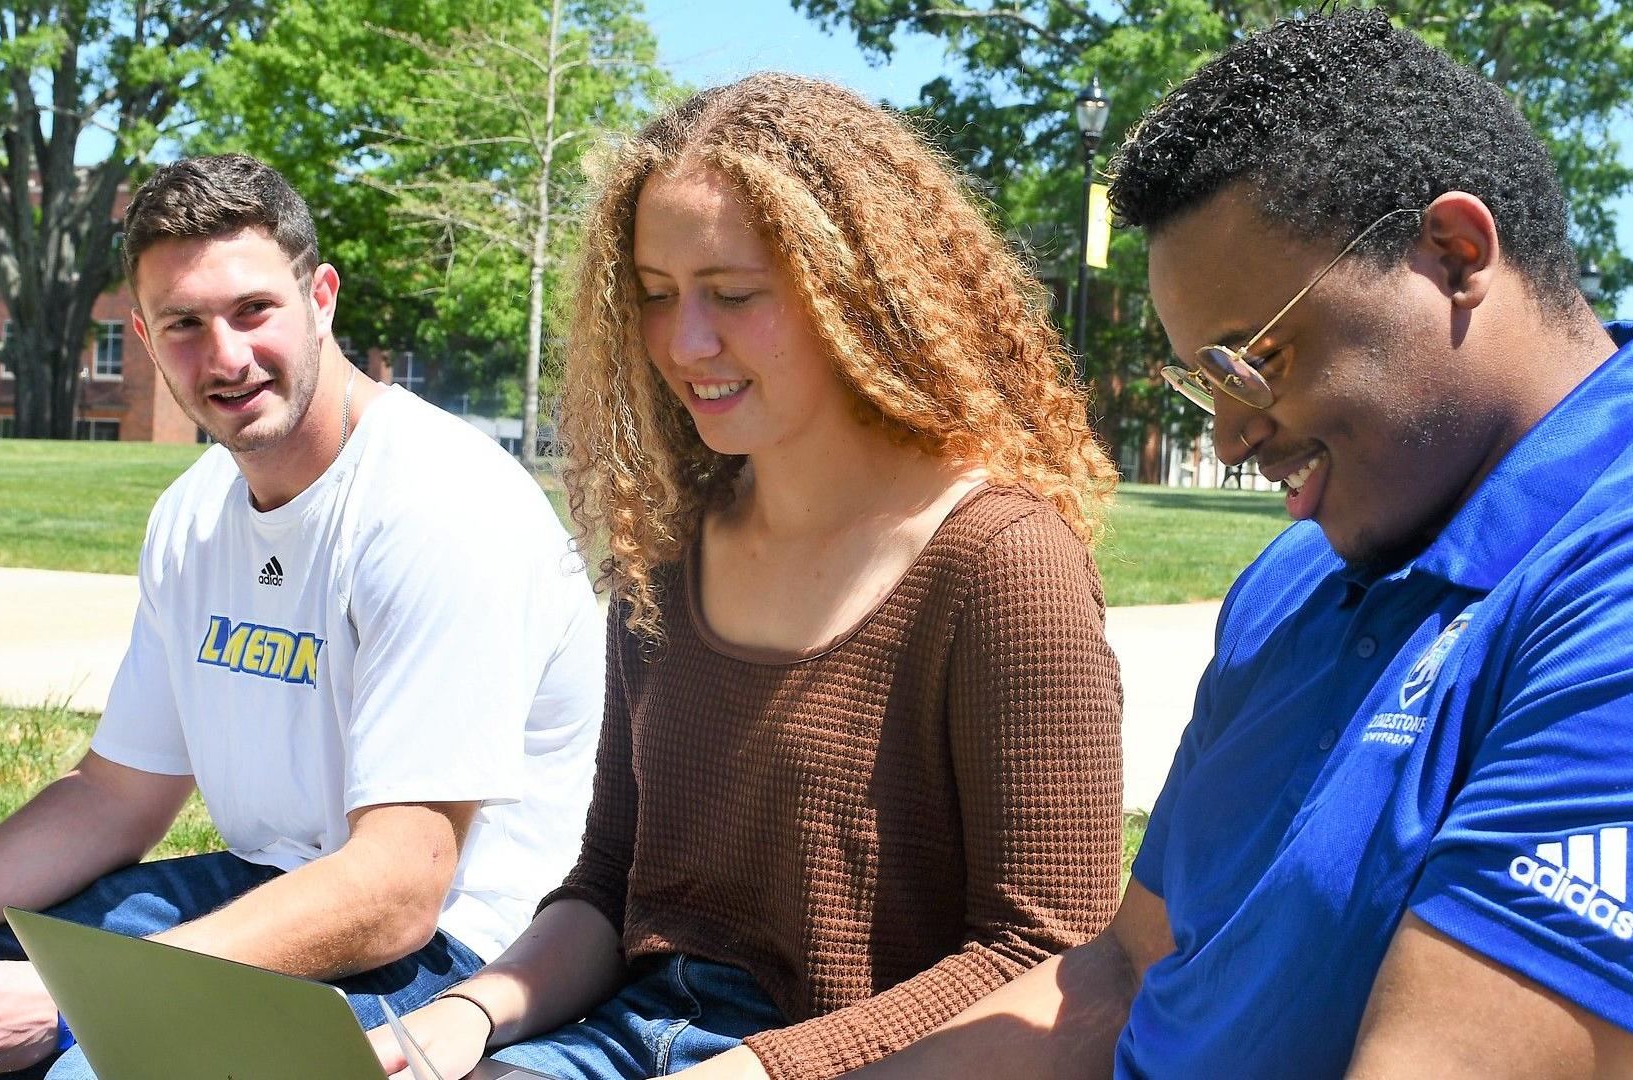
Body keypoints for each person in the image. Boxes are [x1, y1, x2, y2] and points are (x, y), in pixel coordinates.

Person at [845, 9, 1633, 1079]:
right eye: (1203, 380)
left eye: (1252, 359)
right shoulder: (1297, 575)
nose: (1230, 432)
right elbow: (1123, 971)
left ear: (1455, 252)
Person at [371, 73, 1124, 1080]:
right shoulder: (669, 548)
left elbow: (1049, 956)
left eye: (732, 295)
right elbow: (606, 884)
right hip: (616, 1041)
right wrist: (463, 1016)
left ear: (856, 293)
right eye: (654, 295)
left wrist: (760, 1071)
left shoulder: (1003, 564)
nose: (685, 344)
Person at [0, 155, 604, 1080]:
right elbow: (113, 799)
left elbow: (401, 887)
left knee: (89, 1064)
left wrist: (75, 1002)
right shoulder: (194, 512)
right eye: (184, 325)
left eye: (254, 310)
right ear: (143, 334)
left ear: (320, 297)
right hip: (275, 887)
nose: (225, 356)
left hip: (461, 951)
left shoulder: (440, 506)